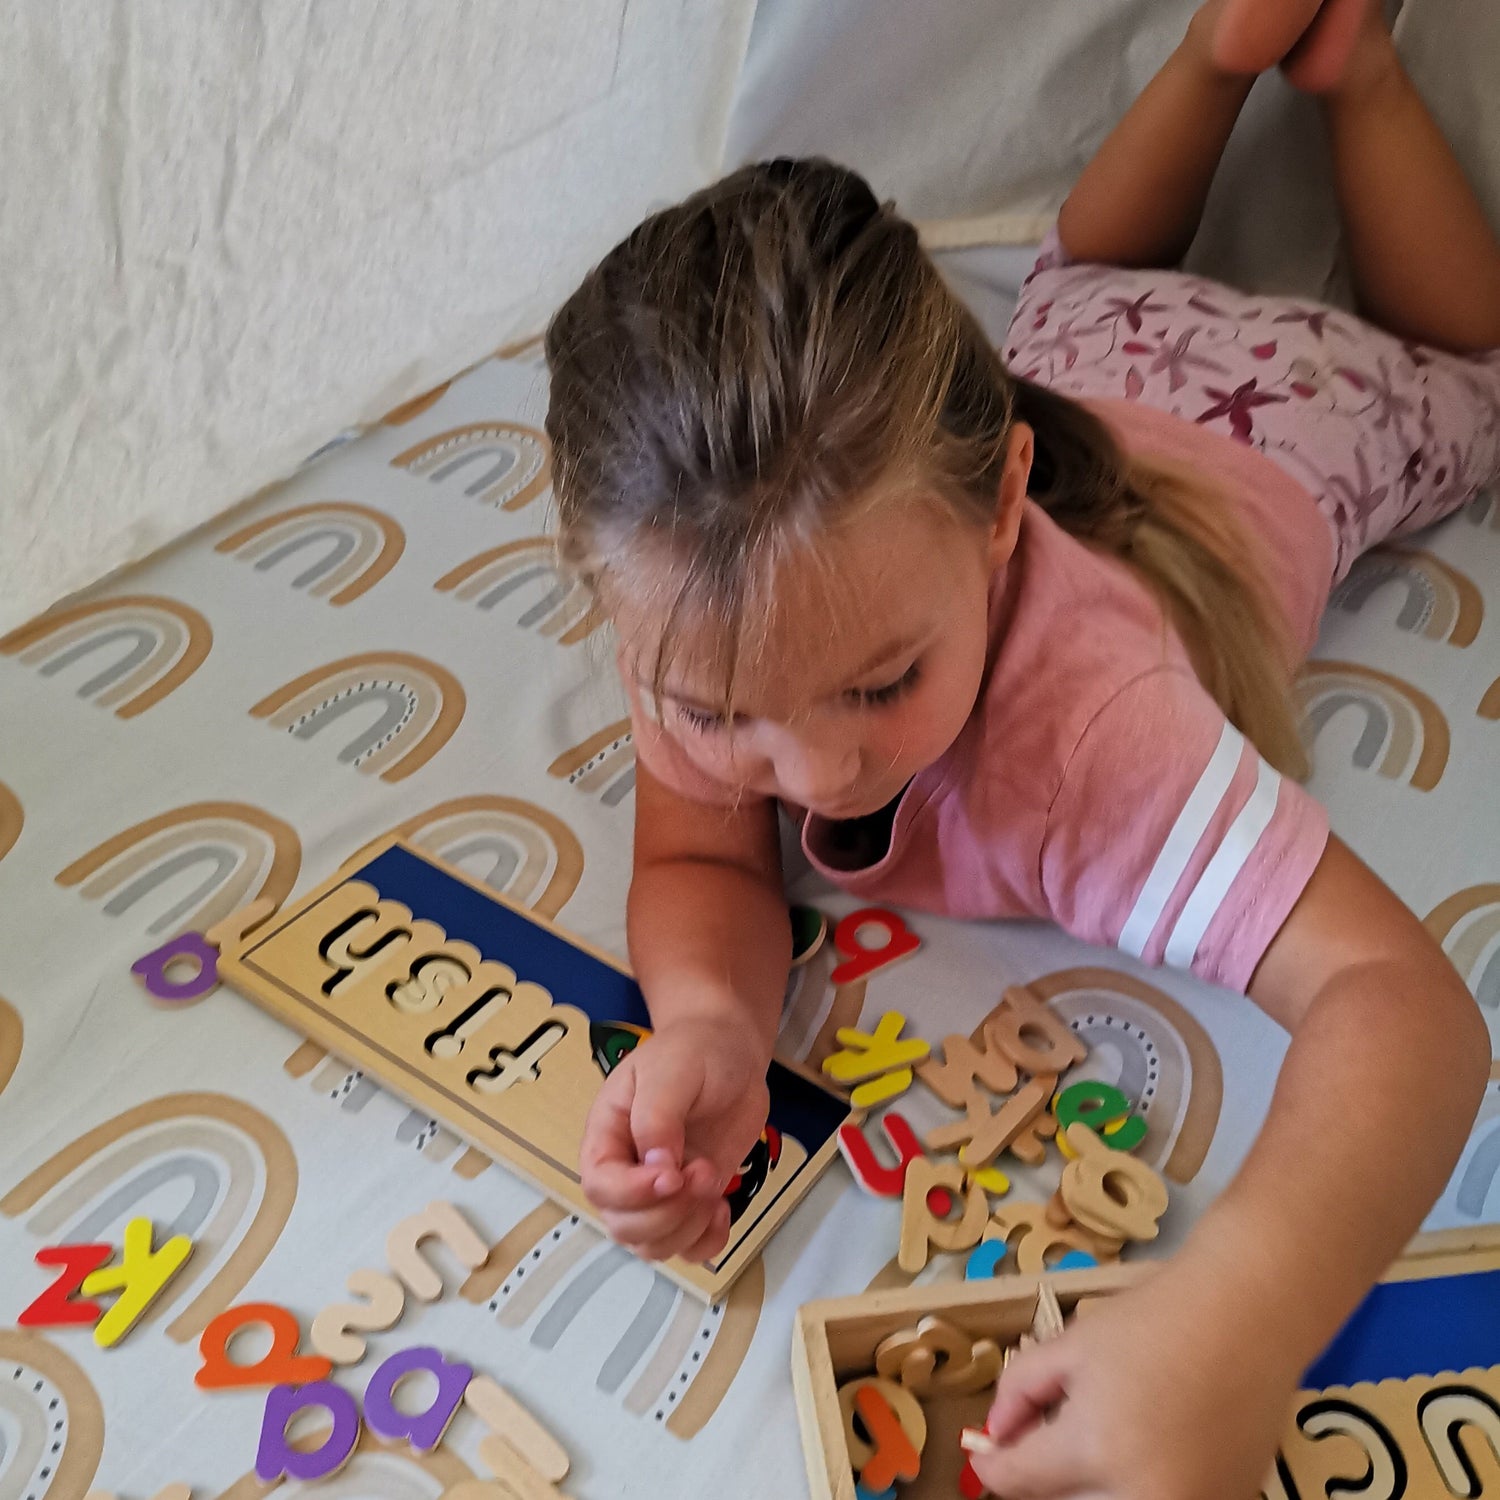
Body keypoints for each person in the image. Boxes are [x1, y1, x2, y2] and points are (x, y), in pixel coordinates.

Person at [543, 0, 1499, 1491]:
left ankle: (1347, 63)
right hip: (1090, 343)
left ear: (1002, 516)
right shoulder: (717, 594)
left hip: (1302, 412)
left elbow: (1410, 1010)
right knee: (1087, 269)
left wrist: (1235, 1324)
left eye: (880, 687)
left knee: (1470, 340)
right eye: (722, 719)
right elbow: (695, 850)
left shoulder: (1095, 740)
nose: (809, 781)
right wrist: (715, 1026)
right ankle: (1215, 57)